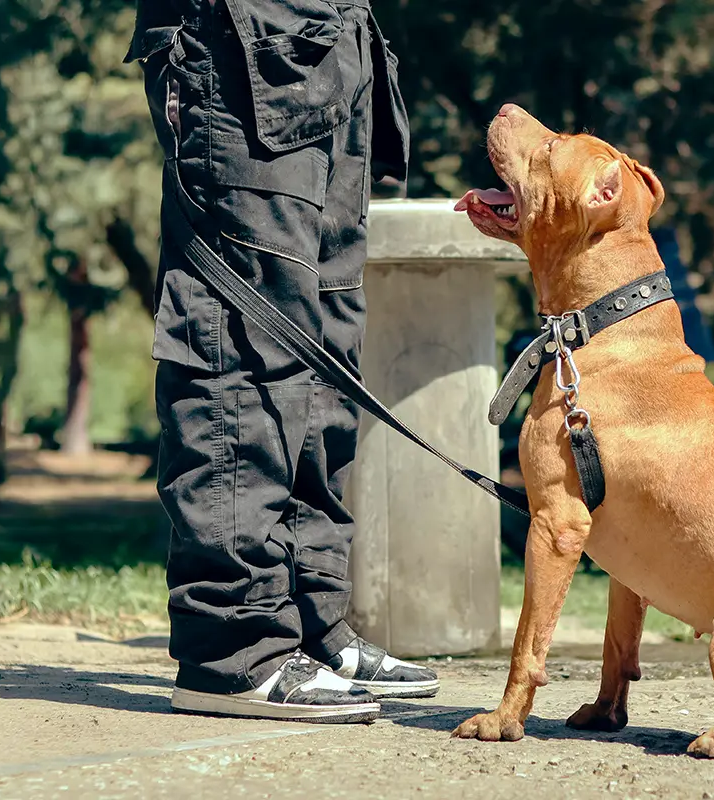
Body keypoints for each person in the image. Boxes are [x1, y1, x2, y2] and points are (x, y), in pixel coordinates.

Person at [125, 0, 437, 723]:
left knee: (325, 348)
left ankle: (309, 619)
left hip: (333, 39)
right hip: (241, 41)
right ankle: (236, 644)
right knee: (245, 343)